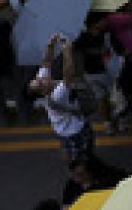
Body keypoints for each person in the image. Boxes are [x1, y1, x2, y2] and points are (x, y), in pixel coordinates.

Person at [33, 34, 95, 162]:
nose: (41, 78)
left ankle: (72, 163)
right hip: (75, 131)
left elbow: (46, 62)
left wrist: (51, 45)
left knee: (68, 150)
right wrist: (66, 51)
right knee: (82, 157)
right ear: (43, 91)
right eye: (40, 82)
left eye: (38, 79)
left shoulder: (45, 86)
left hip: (62, 130)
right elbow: (68, 73)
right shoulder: (57, 95)